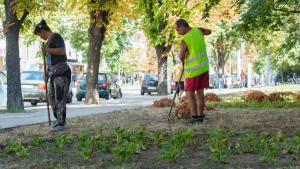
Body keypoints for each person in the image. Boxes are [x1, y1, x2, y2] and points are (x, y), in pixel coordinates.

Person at [34, 19, 71, 132]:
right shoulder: (49, 41)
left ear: (43, 31)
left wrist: (47, 49)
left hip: (62, 74)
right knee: (51, 97)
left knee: (60, 98)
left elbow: (62, 51)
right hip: (53, 74)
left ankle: (61, 122)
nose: (40, 37)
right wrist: (46, 74)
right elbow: (50, 62)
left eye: (39, 34)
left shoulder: (56, 37)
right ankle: (58, 119)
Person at [174, 19, 211, 124]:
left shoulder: (186, 38)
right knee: (200, 94)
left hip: (193, 71)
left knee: (190, 94)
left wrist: (183, 61)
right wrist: (202, 30)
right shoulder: (198, 31)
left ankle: (194, 117)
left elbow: (181, 56)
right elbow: (209, 31)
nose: (178, 33)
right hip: (204, 68)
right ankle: (200, 117)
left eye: (178, 30)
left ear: (182, 26)